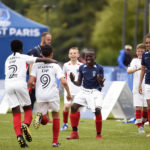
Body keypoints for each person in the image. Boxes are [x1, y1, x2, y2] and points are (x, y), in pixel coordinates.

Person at [4, 40, 57, 148]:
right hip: (20, 83)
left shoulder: (8, 59)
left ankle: (19, 136)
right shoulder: (23, 57)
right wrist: (53, 61)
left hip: (8, 85)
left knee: (15, 111)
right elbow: (40, 59)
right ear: (21, 49)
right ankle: (25, 124)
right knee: (28, 108)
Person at [28, 45, 72, 147]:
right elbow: (64, 82)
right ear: (52, 54)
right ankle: (55, 142)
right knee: (56, 116)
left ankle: (42, 117)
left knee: (44, 121)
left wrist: (31, 86)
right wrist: (68, 94)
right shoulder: (55, 66)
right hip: (52, 95)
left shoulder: (36, 65)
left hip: (40, 95)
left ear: (41, 54)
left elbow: (30, 81)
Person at [66, 49, 105, 140]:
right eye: (87, 56)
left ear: (94, 57)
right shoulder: (82, 67)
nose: (88, 58)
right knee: (74, 107)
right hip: (84, 91)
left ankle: (98, 134)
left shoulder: (99, 68)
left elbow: (101, 85)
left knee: (97, 111)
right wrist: (72, 80)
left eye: (90, 56)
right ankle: (75, 133)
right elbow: (79, 83)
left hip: (95, 92)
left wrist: (100, 82)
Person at [27, 32, 52, 109]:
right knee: (31, 100)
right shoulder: (35, 51)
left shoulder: (49, 50)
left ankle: (43, 119)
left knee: (44, 102)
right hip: (35, 80)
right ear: (42, 39)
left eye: (50, 40)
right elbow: (31, 65)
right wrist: (33, 80)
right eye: (48, 40)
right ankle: (28, 119)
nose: (49, 41)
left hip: (45, 80)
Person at [60, 47, 82, 131]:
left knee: (76, 109)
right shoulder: (66, 65)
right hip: (68, 90)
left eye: (74, 53)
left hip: (78, 90)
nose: (73, 55)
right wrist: (60, 88)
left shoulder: (81, 66)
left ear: (78, 55)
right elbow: (62, 77)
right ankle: (65, 124)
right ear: (69, 55)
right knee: (66, 107)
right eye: (71, 53)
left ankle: (75, 126)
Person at [127, 43, 147, 133]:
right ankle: (140, 126)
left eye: (141, 51)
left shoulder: (148, 59)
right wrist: (138, 69)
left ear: (145, 51)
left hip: (147, 87)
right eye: (138, 51)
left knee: (146, 109)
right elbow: (128, 71)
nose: (139, 53)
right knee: (138, 107)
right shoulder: (134, 61)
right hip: (136, 88)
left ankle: (142, 123)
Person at [139, 33, 150, 137]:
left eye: (149, 43)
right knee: (149, 107)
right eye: (146, 43)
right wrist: (140, 83)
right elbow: (143, 69)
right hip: (147, 83)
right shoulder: (145, 54)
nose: (148, 44)